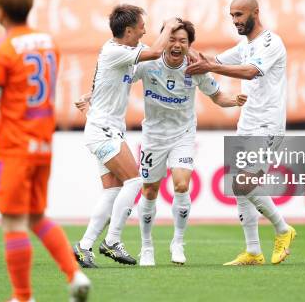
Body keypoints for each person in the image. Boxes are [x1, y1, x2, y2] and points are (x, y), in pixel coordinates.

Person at [76, 20, 247, 266]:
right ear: (165, 41)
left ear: (189, 45)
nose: (177, 45)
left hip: (183, 134)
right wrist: (91, 96)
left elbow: (218, 97)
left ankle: (177, 242)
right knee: (148, 190)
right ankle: (146, 247)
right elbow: (119, 78)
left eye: (183, 41)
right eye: (172, 40)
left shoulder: (196, 66)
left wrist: (236, 100)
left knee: (180, 184)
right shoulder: (148, 62)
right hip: (153, 137)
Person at [0, 0, 90, 302]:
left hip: (14, 145)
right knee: (36, 216)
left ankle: (22, 296)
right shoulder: (49, 44)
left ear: (0, 12)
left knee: (13, 221)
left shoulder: (1, 52)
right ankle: (75, 276)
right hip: (43, 144)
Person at [186, 0, 296, 266]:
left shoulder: (271, 42)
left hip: (267, 123)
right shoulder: (245, 45)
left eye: (239, 15)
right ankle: (253, 251)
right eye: (232, 15)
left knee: (242, 183)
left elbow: (250, 72)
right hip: (247, 121)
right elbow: (212, 59)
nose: (235, 20)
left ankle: (283, 229)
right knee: (239, 186)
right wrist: (180, 46)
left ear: (255, 13)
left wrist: (212, 66)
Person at [73, 6, 181, 267]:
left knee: (112, 191)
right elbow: (156, 52)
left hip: (103, 128)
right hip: (104, 130)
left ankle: (84, 246)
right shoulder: (116, 51)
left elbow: (113, 81)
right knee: (135, 181)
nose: (145, 30)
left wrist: (90, 99)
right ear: (129, 30)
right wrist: (169, 26)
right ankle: (112, 241)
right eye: (142, 27)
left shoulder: (117, 52)